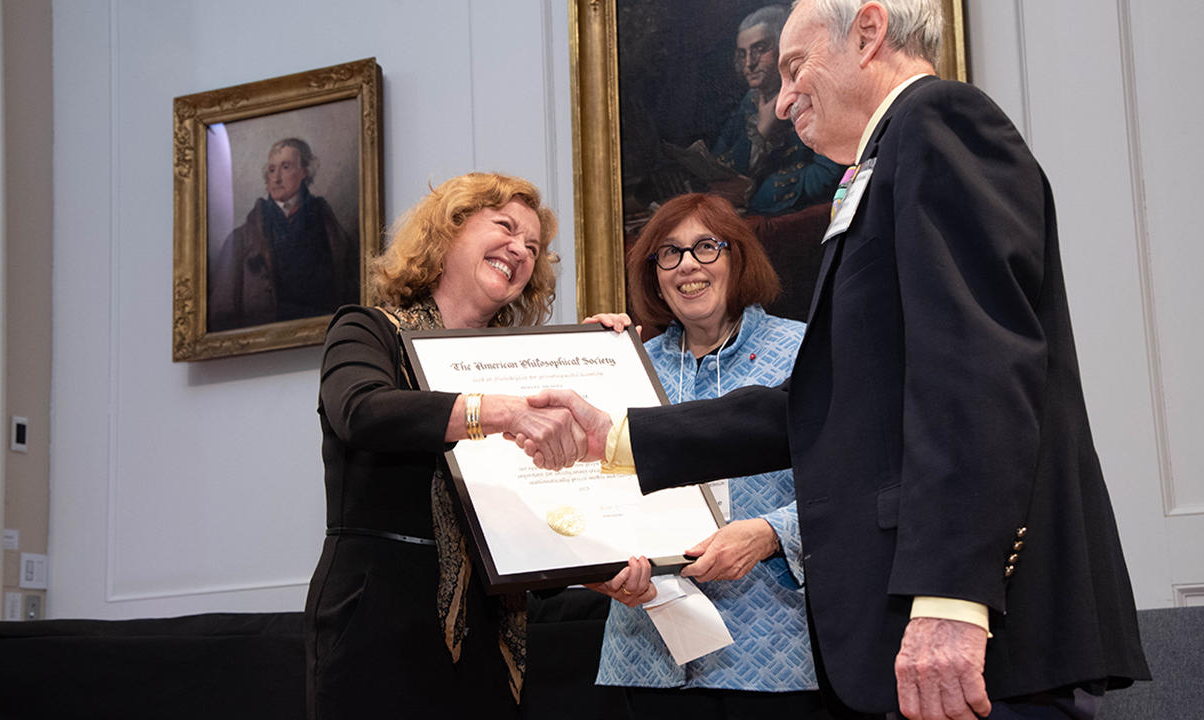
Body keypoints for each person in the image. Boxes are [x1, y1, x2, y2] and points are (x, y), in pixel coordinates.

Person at [531, 1, 1152, 718]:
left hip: (970, 632)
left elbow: (977, 376)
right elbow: (822, 405)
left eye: (795, 67)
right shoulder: (884, 164)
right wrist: (614, 437)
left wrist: (952, 599)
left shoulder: (937, 122)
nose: (783, 96)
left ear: (868, 31)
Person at [303, 172, 592, 719]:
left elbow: (535, 514)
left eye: (532, 247)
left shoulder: (520, 370)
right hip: (376, 625)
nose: (520, 250)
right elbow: (362, 412)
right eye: (505, 227)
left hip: (487, 631)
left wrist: (605, 358)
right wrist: (500, 412)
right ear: (446, 232)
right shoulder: (367, 330)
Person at [586, 194, 823, 718]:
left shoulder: (806, 352)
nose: (687, 264)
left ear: (737, 257)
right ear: (655, 275)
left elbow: (849, 482)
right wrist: (583, 359)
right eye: (668, 253)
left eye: (706, 247)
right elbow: (585, 489)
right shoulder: (626, 365)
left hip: (770, 654)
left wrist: (769, 534)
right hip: (646, 656)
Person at [208, 138, 358, 331]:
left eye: (286, 167)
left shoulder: (331, 230)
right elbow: (222, 313)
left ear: (305, 171)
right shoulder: (241, 240)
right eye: (271, 170)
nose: (276, 178)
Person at [712, 5, 842, 216]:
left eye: (760, 49)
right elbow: (720, 158)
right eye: (743, 54)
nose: (749, 64)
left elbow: (827, 173)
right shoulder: (750, 100)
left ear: (783, 49)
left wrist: (755, 193)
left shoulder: (813, 94)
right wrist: (760, 132)